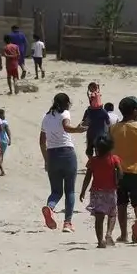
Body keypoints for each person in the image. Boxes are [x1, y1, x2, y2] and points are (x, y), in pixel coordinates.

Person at [109, 96, 137, 244]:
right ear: (134, 111)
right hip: (136, 171)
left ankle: (124, 234)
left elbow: (109, 151)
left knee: (121, 203)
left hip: (118, 172)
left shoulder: (113, 128)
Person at [39, 93, 87, 233]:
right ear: (66, 103)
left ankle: (50, 208)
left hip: (52, 155)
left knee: (56, 191)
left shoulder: (46, 117)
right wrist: (78, 130)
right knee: (70, 190)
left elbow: (42, 141)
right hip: (67, 154)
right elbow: (66, 127)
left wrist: (46, 159)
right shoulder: (65, 113)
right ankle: (67, 223)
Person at [79, 136, 123, 248]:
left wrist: (83, 191)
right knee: (112, 214)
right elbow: (120, 172)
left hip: (96, 192)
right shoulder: (114, 159)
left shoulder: (93, 161)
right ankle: (108, 233)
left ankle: (100, 241)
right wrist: (118, 182)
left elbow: (88, 177)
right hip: (111, 191)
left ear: (97, 149)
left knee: (99, 217)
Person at [81, 84, 113, 160]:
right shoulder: (103, 111)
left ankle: (92, 163)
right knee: (100, 152)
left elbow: (84, 122)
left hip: (91, 134)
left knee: (89, 151)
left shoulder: (88, 111)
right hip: (101, 135)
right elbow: (108, 122)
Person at [0, 108, 11, 175]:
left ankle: (0, 170)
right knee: (1, 156)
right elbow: (8, 131)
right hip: (4, 141)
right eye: (3, 114)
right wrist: (10, 139)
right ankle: (1, 170)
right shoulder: (4, 122)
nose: (4, 116)